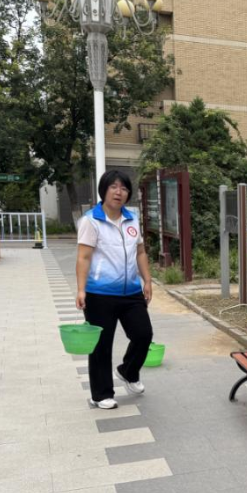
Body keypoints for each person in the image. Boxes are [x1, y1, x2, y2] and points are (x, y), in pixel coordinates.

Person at [76, 170, 154, 410]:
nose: (119, 192)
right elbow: (83, 257)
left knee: (143, 334)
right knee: (101, 345)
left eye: (124, 188)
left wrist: (147, 280)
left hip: (131, 292)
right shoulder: (91, 220)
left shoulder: (132, 219)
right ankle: (100, 394)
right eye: (114, 187)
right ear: (104, 190)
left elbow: (140, 252)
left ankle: (128, 371)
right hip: (99, 294)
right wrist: (81, 290)